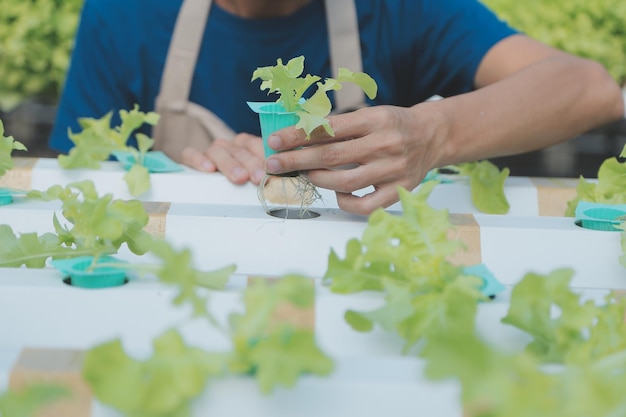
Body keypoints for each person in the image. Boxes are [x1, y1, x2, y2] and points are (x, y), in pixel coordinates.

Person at [49, 0, 625, 216]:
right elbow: (75, 190)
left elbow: (589, 88)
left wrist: (434, 130)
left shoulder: (401, 10)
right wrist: (184, 173)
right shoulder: (122, 15)